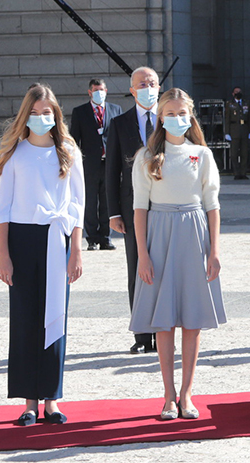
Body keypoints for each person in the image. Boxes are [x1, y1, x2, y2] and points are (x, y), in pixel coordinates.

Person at [129, 88, 225, 420]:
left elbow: (212, 204)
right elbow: (139, 208)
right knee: (164, 320)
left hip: (194, 233)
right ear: (159, 117)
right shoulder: (146, 156)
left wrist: (214, 250)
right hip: (159, 234)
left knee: (192, 320)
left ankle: (187, 394)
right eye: (170, 113)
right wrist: (142, 254)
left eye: (182, 112)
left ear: (191, 115)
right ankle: (168, 395)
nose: (177, 119)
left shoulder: (203, 154)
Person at [0, 83, 85, 426]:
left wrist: (75, 250)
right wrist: (4, 255)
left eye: (46, 112)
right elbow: (3, 209)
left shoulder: (69, 153)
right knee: (25, 319)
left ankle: (52, 400)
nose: (41, 118)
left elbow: (77, 204)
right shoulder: (15, 154)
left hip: (56, 239)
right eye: (34, 113)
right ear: (25, 115)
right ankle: (29, 401)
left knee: (54, 319)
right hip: (22, 239)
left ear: (56, 114)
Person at [106, 66, 160, 354]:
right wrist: (113, 212)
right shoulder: (119, 123)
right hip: (131, 209)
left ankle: (162, 332)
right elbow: (111, 170)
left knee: (163, 269)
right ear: (132, 89)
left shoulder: (170, 119)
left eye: (151, 83)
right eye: (142, 83)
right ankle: (142, 335)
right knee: (137, 268)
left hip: (165, 206)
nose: (147, 87)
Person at [69, 79, 121, 251]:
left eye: (102, 90)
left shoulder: (115, 109)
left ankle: (106, 237)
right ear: (90, 92)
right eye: (96, 90)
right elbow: (74, 139)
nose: (100, 93)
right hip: (89, 164)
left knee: (107, 200)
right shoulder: (80, 112)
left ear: (106, 90)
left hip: (109, 162)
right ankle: (92, 238)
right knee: (90, 201)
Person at [224, 87, 250, 180]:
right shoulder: (230, 104)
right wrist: (227, 132)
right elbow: (227, 119)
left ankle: (243, 173)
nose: (238, 93)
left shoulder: (246, 103)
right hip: (234, 130)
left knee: (244, 153)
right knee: (234, 154)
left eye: (239, 92)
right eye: (236, 92)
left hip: (244, 130)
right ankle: (236, 172)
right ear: (233, 94)